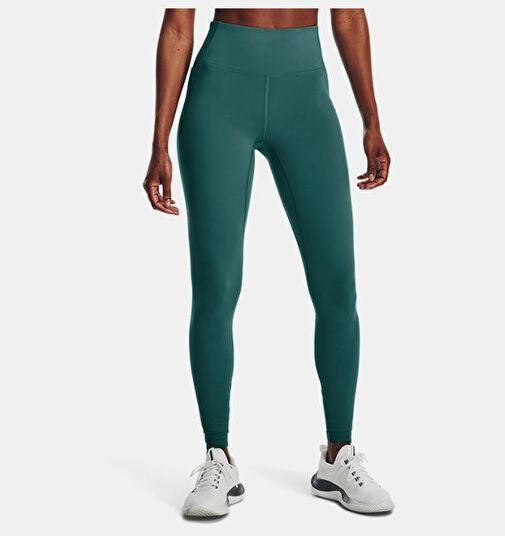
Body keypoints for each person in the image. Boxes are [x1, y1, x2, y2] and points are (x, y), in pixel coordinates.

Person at [143, 8, 393, 517]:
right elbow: (177, 24)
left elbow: (348, 16)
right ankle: (218, 457)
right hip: (219, 95)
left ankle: (339, 455)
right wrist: (158, 141)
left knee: (337, 286)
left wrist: (372, 121)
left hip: (305, 93)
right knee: (216, 285)